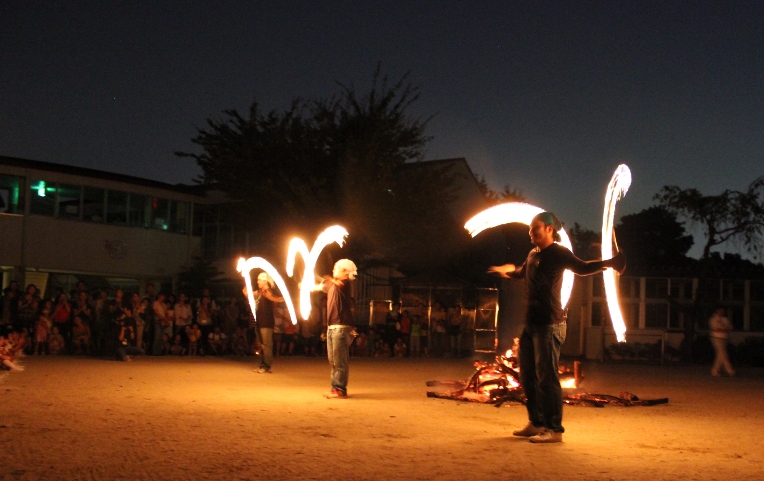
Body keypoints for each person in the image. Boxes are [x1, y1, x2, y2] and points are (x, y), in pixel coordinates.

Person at [489, 211, 625, 444]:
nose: (530, 232)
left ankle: (554, 429)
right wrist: (508, 271)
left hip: (549, 324)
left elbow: (582, 268)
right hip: (529, 324)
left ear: (549, 229)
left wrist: (610, 263)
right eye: (530, 228)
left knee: (547, 378)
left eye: (535, 228)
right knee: (527, 376)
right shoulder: (533, 254)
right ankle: (536, 422)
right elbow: (523, 272)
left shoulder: (559, 253)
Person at [321, 259, 358, 399]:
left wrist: (329, 279)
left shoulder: (345, 284)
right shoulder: (332, 284)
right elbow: (321, 286)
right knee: (333, 361)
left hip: (341, 328)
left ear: (345, 272)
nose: (333, 269)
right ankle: (335, 388)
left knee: (339, 361)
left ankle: (340, 389)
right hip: (332, 327)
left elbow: (337, 283)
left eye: (337, 268)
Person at [254, 272, 284, 373]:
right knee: (261, 345)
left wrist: (283, 299)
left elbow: (273, 298)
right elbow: (249, 293)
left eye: (259, 280)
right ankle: (262, 364)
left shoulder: (267, 292)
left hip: (266, 322)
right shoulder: (259, 293)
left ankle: (266, 366)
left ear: (265, 281)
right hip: (259, 322)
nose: (257, 281)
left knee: (267, 346)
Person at [709, 307, 735, 377]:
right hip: (716, 338)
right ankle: (730, 370)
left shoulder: (725, 319)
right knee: (723, 354)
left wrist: (724, 329)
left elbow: (730, 328)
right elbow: (716, 329)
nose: (721, 312)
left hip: (724, 338)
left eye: (722, 311)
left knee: (720, 356)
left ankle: (714, 371)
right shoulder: (713, 319)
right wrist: (724, 329)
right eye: (720, 311)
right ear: (717, 311)